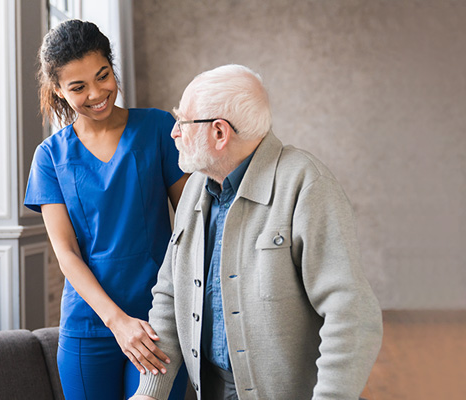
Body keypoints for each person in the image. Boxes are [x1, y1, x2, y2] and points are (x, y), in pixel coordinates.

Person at [128, 64, 382, 400]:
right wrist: (150, 391)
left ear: (219, 133)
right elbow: (170, 294)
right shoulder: (194, 190)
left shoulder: (306, 184)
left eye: (183, 121)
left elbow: (351, 313)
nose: (174, 133)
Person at [24, 20, 191, 400]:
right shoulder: (50, 156)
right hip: (88, 326)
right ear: (59, 91)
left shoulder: (158, 128)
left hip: (158, 320)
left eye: (103, 76)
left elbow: (190, 227)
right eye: (78, 87)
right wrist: (117, 323)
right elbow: (66, 254)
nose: (97, 93)